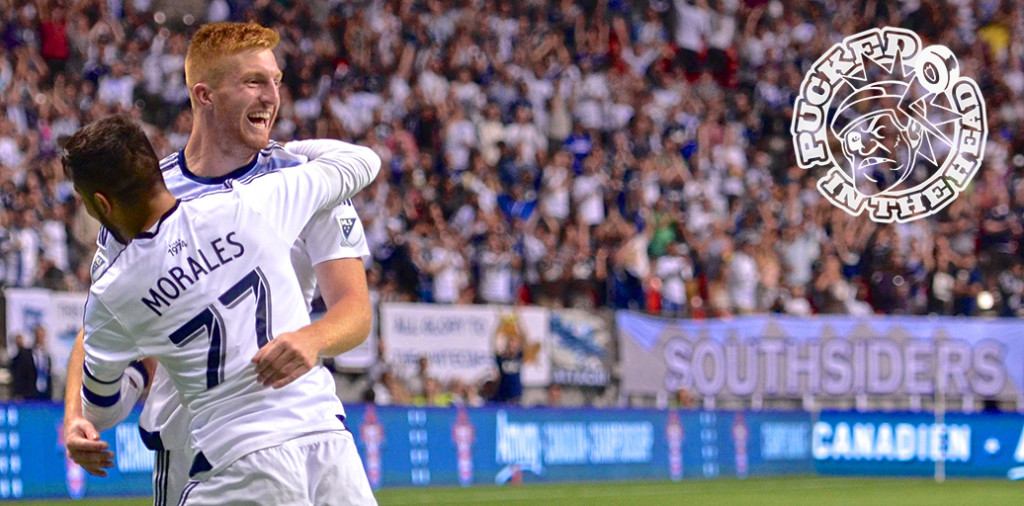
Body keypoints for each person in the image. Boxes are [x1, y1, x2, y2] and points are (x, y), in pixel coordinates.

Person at [62, 22, 374, 506]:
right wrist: (73, 417)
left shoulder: (298, 180)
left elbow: (355, 312)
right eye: (254, 82)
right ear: (203, 95)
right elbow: (109, 324)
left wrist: (313, 338)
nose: (272, 97)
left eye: (277, 81)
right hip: (187, 439)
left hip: (289, 419)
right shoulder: (141, 192)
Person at [10, 326, 53, 400]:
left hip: (44, 395)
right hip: (30, 394)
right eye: (38, 336)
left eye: (42, 336)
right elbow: (20, 374)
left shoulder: (46, 357)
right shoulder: (27, 355)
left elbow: (48, 375)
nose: (41, 338)